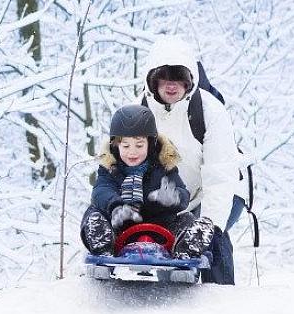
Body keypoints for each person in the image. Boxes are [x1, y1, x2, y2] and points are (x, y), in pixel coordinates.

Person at [140, 36, 245, 285]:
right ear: (152, 79)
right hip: (173, 198)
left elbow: (219, 175)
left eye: (179, 77)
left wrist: (209, 224)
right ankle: (176, 298)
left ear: (190, 80)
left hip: (223, 191)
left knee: (212, 240)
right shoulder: (140, 110)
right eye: (163, 77)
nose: (171, 85)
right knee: (171, 250)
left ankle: (218, 296)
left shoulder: (210, 111)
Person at [80, 104, 214, 260]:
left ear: (151, 144)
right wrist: (115, 206)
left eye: (139, 145)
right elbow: (101, 190)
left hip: (161, 226)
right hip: (120, 227)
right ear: (115, 146)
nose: (132, 152)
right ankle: (102, 243)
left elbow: (182, 192)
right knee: (93, 213)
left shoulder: (163, 165)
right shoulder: (111, 167)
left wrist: (174, 197)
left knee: (187, 219)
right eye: (125, 145)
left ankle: (186, 247)